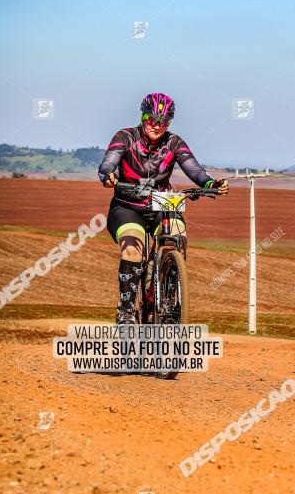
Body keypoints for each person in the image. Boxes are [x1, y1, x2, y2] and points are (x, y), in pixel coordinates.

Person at [97, 93, 229, 324]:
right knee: (132, 250)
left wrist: (210, 183)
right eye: (152, 119)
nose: (157, 125)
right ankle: (126, 311)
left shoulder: (174, 142)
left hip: (162, 203)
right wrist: (107, 175)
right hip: (128, 205)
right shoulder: (125, 136)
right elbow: (109, 160)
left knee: (180, 236)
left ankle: (169, 290)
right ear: (143, 116)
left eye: (164, 121)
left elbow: (195, 169)